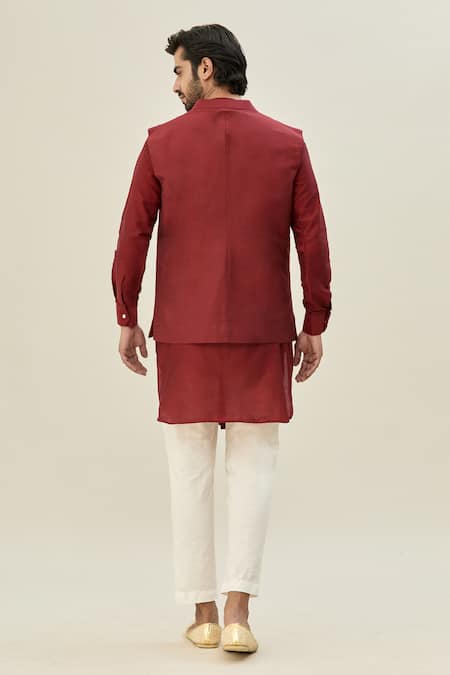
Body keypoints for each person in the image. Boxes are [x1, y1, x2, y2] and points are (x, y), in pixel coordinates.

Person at [111, 23, 332, 653]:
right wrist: (314, 321)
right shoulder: (288, 143)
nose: (175, 86)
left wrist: (126, 312)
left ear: (206, 69)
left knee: (189, 471)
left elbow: (133, 235)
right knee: (254, 467)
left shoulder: (161, 144)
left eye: (179, 71)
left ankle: (203, 613)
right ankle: (239, 614)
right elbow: (312, 238)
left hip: (185, 331)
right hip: (264, 331)